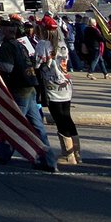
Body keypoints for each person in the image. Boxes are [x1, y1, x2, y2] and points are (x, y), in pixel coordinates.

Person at [0, 21, 59, 173]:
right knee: (37, 126)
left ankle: (3, 152)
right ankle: (48, 159)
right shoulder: (21, 44)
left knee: (12, 123)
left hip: (18, 88)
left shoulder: (8, 47)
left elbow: (7, 67)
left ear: (3, 31)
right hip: (30, 86)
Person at [34, 16, 79, 164]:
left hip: (52, 85)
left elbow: (37, 63)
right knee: (67, 116)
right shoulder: (62, 44)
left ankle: (68, 154)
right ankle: (76, 152)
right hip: (66, 83)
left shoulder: (43, 44)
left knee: (59, 118)